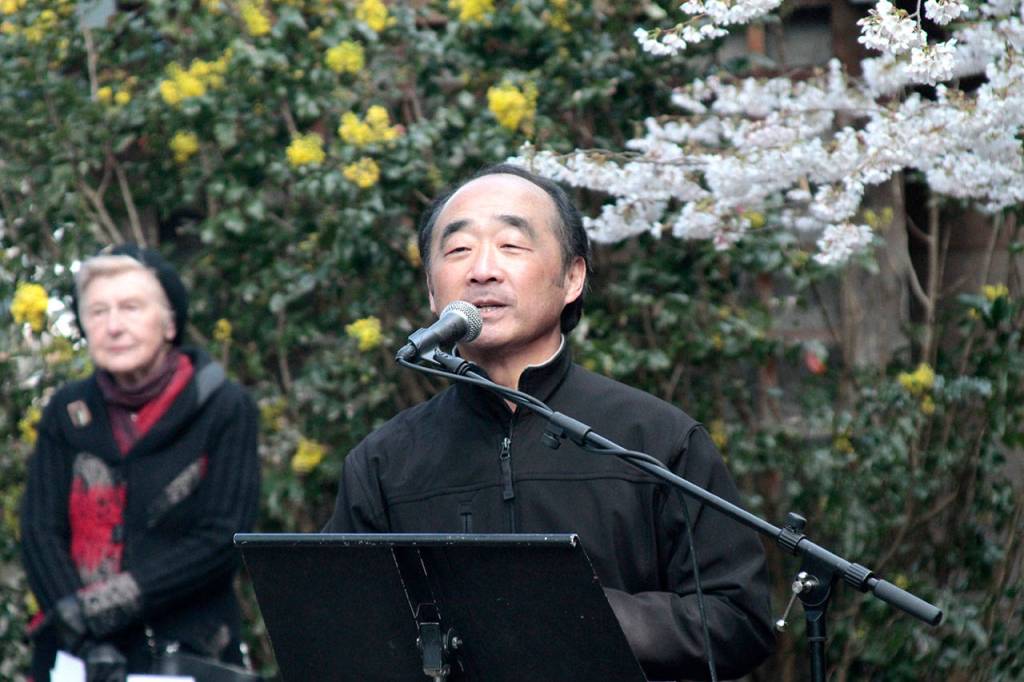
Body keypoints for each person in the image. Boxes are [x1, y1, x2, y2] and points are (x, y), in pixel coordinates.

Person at [324, 164, 775, 680]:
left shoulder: (655, 439)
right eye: (458, 250)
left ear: (573, 278)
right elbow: (343, 633)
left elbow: (738, 620)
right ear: (432, 290)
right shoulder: (384, 462)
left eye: (512, 246)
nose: (483, 270)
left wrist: (581, 613)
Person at [20, 244, 261, 681]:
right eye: (97, 311)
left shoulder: (224, 407)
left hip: (185, 653)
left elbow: (222, 539)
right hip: (73, 658)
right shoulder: (67, 410)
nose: (113, 326)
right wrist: (80, 634)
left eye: (131, 307)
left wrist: (99, 608)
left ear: (169, 322)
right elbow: (40, 530)